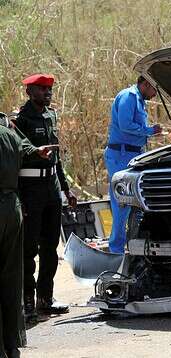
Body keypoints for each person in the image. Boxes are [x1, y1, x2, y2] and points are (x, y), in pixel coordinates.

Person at [12, 74, 77, 323]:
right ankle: (27, 302)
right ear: (29, 92)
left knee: (50, 247)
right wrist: (20, 198)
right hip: (30, 189)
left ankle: (45, 299)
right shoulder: (20, 120)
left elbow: (56, 156)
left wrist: (66, 188)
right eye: (41, 89)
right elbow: (15, 159)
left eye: (49, 88)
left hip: (51, 187)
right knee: (28, 250)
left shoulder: (51, 115)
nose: (47, 92)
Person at [0, 112, 53, 358]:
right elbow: (31, 149)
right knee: (11, 278)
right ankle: (12, 344)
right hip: (12, 208)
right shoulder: (11, 135)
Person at [104, 76, 161, 254]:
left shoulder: (138, 99)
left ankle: (128, 247)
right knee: (122, 202)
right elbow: (125, 124)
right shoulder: (129, 97)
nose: (154, 95)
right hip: (122, 154)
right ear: (146, 84)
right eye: (154, 90)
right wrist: (150, 131)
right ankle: (117, 251)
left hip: (132, 153)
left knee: (134, 203)